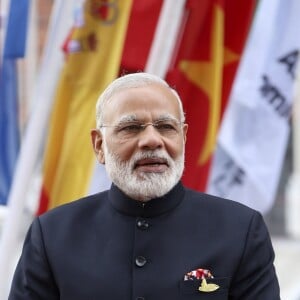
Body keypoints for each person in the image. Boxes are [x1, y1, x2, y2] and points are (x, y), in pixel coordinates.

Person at [9, 72, 280, 299]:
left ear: (183, 137)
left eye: (165, 126)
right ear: (99, 145)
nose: (152, 140)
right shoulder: (53, 234)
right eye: (132, 128)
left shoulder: (240, 230)